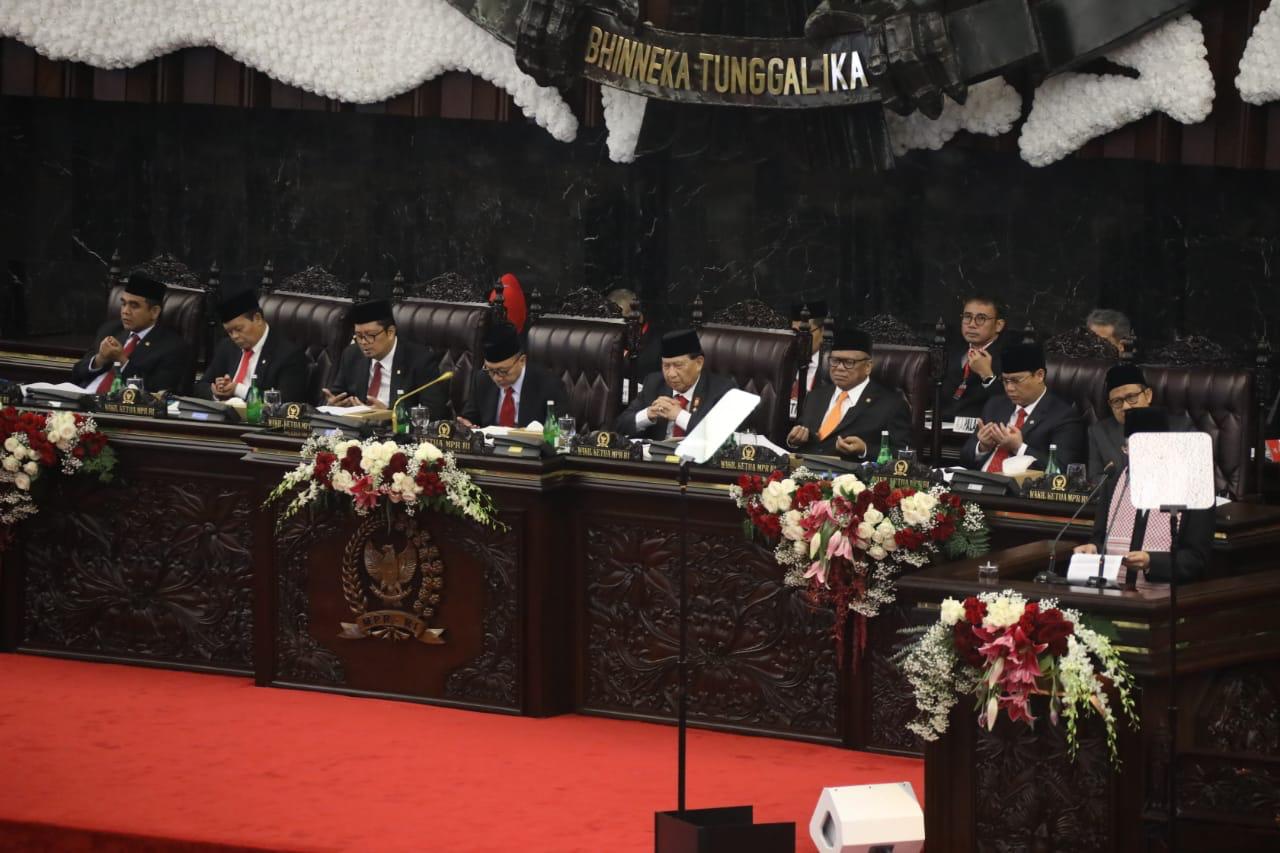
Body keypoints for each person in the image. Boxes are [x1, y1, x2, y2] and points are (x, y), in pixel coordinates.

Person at [1074, 407, 1212, 584]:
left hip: (1168, 602)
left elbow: (1197, 559)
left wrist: (1151, 562)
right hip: (1113, 595)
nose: (1135, 456)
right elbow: (1100, 540)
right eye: (1129, 448)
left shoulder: (1193, 488)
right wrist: (1093, 549)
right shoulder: (1115, 482)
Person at [786, 328, 911, 460]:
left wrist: (865, 450)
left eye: (848, 363)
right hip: (805, 474)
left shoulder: (891, 404)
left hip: (852, 477)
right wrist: (793, 442)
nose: (839, 368)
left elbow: (904, 456)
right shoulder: (815, 397)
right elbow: (799, 442)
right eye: (835, 361)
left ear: (868, 367)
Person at [960, 342, 1085, 472]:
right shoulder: (995, 405)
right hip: (978, 483)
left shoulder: (1063, 416)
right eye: (1005, 380)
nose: (1009, 388)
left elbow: (1061, 470)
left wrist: (1018, 448)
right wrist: (982, 447)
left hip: (1019, 489)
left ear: (1039, 375)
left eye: (1016, 380)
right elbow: (964, 459)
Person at [322, 299, 450, 417]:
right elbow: (338, 395)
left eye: (370, 335)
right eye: (358, 336)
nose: (363, 342)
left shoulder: (420, 359)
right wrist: (334, 404)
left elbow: (435, 413)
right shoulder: (352, 354)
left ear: (390, 332)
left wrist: (390, 414)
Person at [71, 272, 193, 395]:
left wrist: (122, 360)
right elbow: (76, 374)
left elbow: (156, 391)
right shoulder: (111, 329)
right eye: (123, 303)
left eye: (134, 306)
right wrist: (100, 359)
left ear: (154, 312)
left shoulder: (172, 347)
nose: (125, 311)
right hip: (84, 396)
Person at [615, 328, 736, 440]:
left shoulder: (723, 390)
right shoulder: (654, 383)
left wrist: (680, 416)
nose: (671, 374)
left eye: (678, 365)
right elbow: (620, 426)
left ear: (699, 363)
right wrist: (648, 415)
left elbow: (721, 437)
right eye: (666, 366)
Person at [194, 289, 308, 403]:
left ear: (257, 319)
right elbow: (200, 386)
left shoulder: (289, 355)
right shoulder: (226, 346)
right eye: (229, 332)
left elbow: (286, 401)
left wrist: (238, 390)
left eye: (239, 329)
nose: (234, 336)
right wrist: (216, 392)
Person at [1088, 364, 1193, 478]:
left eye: (1132, 397)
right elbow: (1096, 482)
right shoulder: (1098, 432)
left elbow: (1193, 477)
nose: (1126, 406)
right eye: (1117, 401)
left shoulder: (1181, 429)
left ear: (1148, 395)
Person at [458, 321, 568, 428]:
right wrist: (466, 425)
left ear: (522, 361)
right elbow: (469, 418)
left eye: (503, 371)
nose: (497, 378)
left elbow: (560, 433)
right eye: (491, 370)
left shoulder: (550, 386)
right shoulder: (482, 379)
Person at [941, 295, 1010, 420]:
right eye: (967, 317)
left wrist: (987, 375)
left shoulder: (1009, 356)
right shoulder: (950, 351)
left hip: (982, 432)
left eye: (981, 318)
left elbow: (1011, 405)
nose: (972, 324)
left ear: (998, 325)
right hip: (942, 426)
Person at [607, 286, 661, 380]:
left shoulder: (659, 346)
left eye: (621, 320)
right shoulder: (605, 339)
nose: (616, 326)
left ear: (638, 316)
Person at [788, 300, 828, 419]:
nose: (799, 339)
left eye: (805, 333)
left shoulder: (833, 366)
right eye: (795, 333)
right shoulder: (785, 359)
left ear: (823, 331)